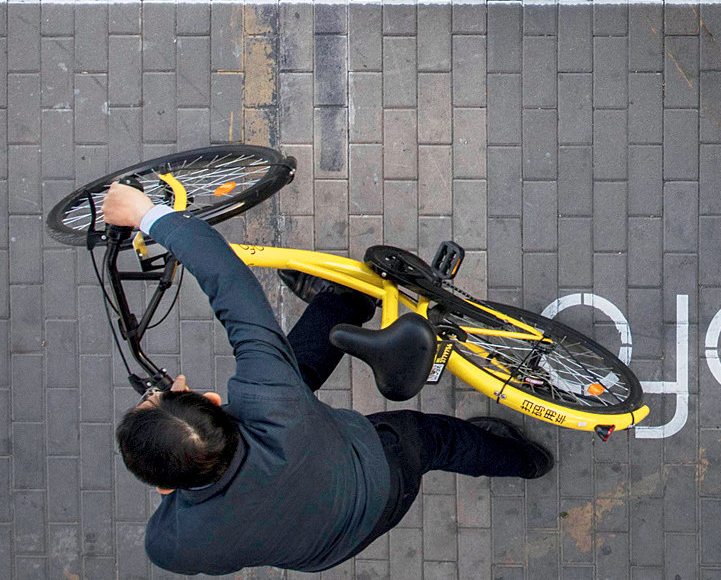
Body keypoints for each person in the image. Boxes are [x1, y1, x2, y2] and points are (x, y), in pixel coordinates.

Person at [99, 182, 555, 575]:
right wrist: (147, 214)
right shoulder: (270, 397)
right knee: (432, 438)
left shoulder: (170, 548)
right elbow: (230, 284)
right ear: (215, 402)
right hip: (376, 476)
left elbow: (177, 513)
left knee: (293, 378)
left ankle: (525, 461)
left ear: (164, 487)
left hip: (331, 543)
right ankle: (523, 458)